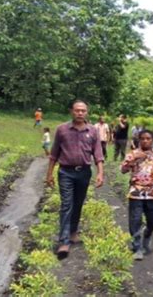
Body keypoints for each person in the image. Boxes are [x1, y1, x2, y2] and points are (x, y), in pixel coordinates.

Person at [46, 100, 104, 260]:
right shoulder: (62, 130)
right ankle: (63, 242)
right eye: (77, 110)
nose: (80, 113)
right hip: (66, 172)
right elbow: (54, 154)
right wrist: (49, 174)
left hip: (84, 172)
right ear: (72, 111)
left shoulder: (92, 131)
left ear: (87, 112)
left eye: (83, 111)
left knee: (78, 204)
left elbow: (98, 154)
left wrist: (100, 173)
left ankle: (72, 232)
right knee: (66, 204)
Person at [120, 130, 153, 261]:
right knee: (135, 220)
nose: (145, 141)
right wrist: (134, 160)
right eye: (142, 139)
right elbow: (123, 170)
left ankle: (147, 236)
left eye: (148, 138)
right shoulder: (133, 154)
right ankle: (137, 247)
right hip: (136, 193)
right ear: (139, 140)